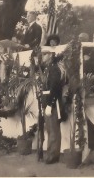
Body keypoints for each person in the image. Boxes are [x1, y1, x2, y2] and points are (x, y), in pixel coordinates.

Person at [42, 35, 63, 164]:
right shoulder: (48, 69)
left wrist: (49, 103)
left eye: (45, 55)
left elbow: (54, 87)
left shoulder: (54, 69)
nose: (43, 57)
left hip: (53, 102)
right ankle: (51, 153)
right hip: (47, 101)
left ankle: (53, 155)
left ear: (50, 55)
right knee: (50, 129)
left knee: (53, 130)